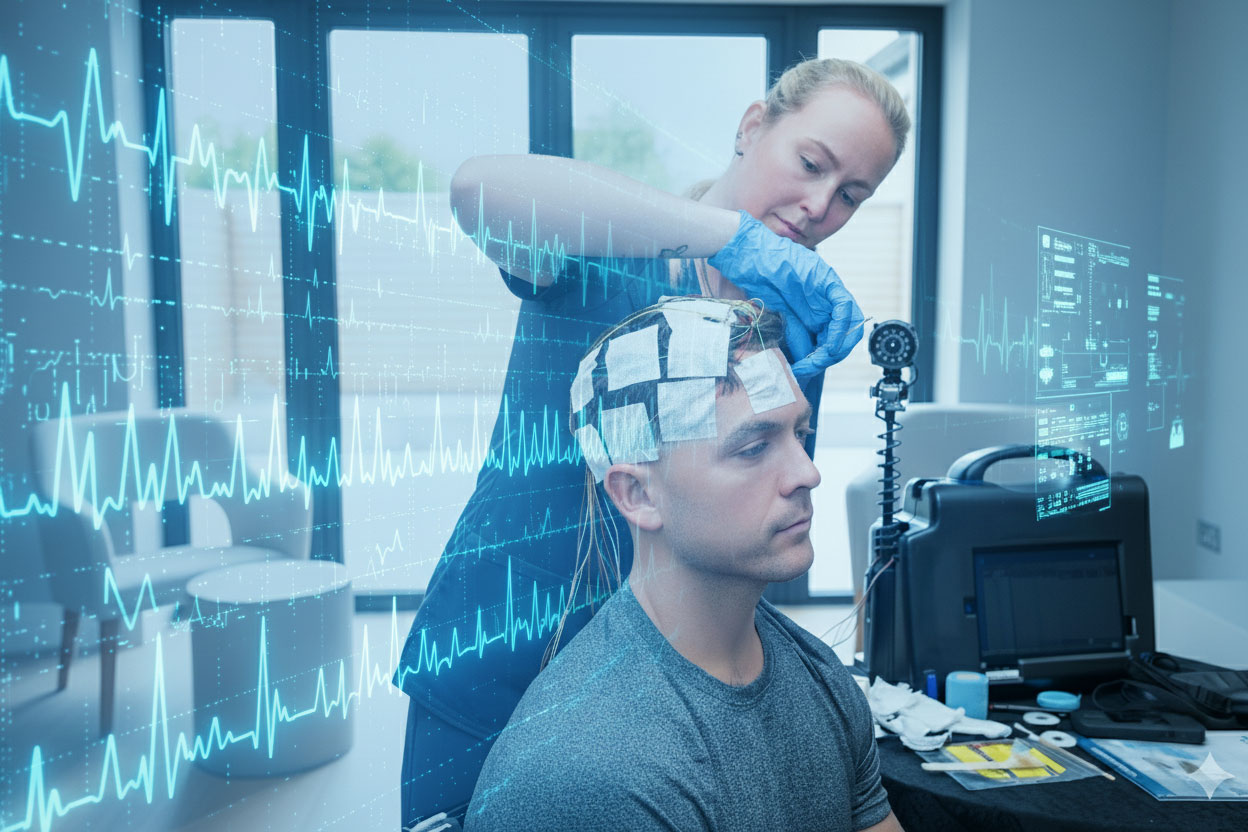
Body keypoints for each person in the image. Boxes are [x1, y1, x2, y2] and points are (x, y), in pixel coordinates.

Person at [395, 56, 911, 828]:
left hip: (672, 697)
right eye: (810, 164)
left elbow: (743, 519)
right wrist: (729, 236)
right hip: (506, 646)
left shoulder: (787, 321)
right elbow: (477, 190)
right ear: (751, 126)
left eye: (850, 196)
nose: (817, 207)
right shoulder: (607, 249)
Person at [463, 297, 903, 831]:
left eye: (799, 435)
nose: (806, 473)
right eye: (752, 449)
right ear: (638, 495)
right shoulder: (595, 772)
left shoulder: (819, 678)